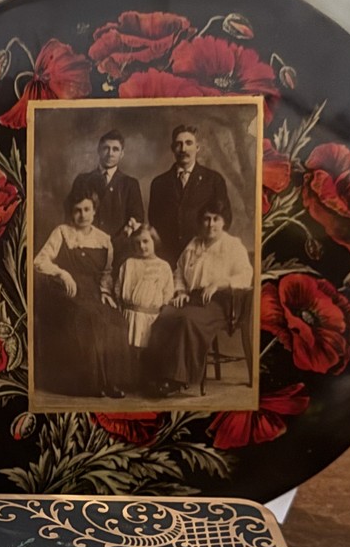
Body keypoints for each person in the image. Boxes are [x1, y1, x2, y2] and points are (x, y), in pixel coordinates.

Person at [145, 202, 253, 395]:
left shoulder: (232, 245)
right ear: (200, 221)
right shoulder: (194, 244)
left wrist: (219, 283)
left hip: (221, 302)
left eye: (216, 219)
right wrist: (181, 292)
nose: (210, 224)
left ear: (224, 222)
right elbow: (179, 272)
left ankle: (176, 379)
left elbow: (246, 275)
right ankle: (155, 375)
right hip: (193, 298)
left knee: (187, 320)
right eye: (206, 219)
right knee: (165, 315)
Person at [33, 190, 122, 397]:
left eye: (87, 210)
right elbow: (39, 261)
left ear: (94, 211)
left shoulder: (104, 239)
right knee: (89, 318)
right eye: (77, 211)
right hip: (67, 293)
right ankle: (91, 383)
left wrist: (106, 292)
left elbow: (106, 273)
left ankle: (110, 382)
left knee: (114, 320)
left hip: (93, 292)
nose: (82, 215)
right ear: (71, 213)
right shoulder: (62, 232)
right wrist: (63, 274)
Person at [147, 123, 233, 264]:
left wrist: (208, 244)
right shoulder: (159, 183)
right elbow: (154, 220)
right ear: (172, 149)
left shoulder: (213, 180)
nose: (183, 149)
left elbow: (225, 218)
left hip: (203, 255)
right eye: (179, 144)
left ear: (197, 147)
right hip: (168, 256)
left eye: (189, 143)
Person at [68, 130, 146, 265]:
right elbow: (70, 214)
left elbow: (137, 217)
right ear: (99, 150)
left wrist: (123, 236)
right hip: (86, 248)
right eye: (106, 148)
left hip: (119, 251)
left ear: (122, 154)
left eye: (115, 149)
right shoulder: (82, 180)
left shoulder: (130, 183)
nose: (110, 153)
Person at [114, 225, 174, 379]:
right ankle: (129, 378)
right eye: (137, 243)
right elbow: (119, 288)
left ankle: (147, 378)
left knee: (148, 350)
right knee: (129, 349)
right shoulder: (128, 264)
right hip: (129, 313)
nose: (142, 246)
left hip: (151, 316)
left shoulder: (163, 266)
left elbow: (168, 293)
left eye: (146, 241)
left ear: (154, 241)